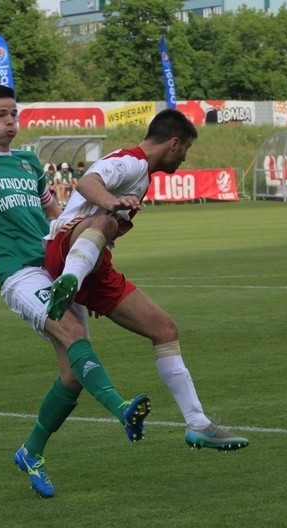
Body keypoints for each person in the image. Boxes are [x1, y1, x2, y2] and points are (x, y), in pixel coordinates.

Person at [0, 85, 151, 499]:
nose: (10, 122)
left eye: (14, 114)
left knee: (73, 375)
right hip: (19, 275)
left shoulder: (27, 162)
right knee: (72, 337)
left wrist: (85, 263)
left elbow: (56, 216)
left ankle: (30, 452)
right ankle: (121, 410)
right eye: (1, 115)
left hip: (55, 269)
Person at [45, 108, 249, 452]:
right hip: (64, 245)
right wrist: (111, 204)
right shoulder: (131, 162)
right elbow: (87, 183)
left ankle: (198, 424)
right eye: (185, 149)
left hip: (90, 260)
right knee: (107, 222)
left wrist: (91, 270)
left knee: (164, 330)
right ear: (173, 143)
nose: (185, 158)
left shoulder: (141, 173)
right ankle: (70, 281)